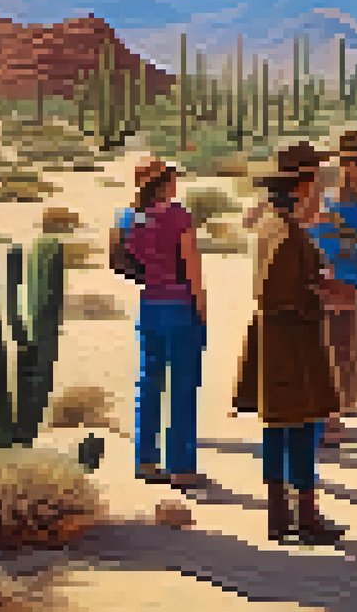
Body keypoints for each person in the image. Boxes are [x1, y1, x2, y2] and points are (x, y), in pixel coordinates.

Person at [231, 142, 344, 545]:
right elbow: (278, 290)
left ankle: (280, 515)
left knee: (277, 427)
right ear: (298, 190)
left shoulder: (269, 227)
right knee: (302, 424)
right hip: (293, 340)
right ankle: (305, 517)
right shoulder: (289, 232)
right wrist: (317, 298)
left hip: (274, 339)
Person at [113, 157, 208, 490]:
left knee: (149, 383)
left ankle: (146, 460)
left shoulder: (127, 216)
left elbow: (119, 261)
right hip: (181, 306)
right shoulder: (177, 215)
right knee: (183, 387)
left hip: (149, 304)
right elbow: (192, 267)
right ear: (163, 183)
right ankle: (182, 467)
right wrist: (202, 310)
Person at [307, 132, 357, 446]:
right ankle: (330, 417)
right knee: (333, 349)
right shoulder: (328, 199)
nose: (353, 167)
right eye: (347, 161)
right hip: (331, 281)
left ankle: (341, 406)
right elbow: (315, 238)